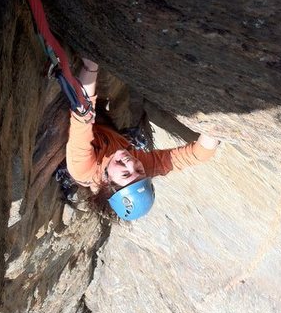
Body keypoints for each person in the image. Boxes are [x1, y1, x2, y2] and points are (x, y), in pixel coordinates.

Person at [66, 58, 219, 221]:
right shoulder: (140, 170)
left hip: (85, 124)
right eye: (139, 171)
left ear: (105, 182)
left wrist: (91, 65)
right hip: (108, 128)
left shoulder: (82, 168)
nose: (131, 163)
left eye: (125, 174)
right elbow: (197, 155)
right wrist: (217, 125)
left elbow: (82, 115)